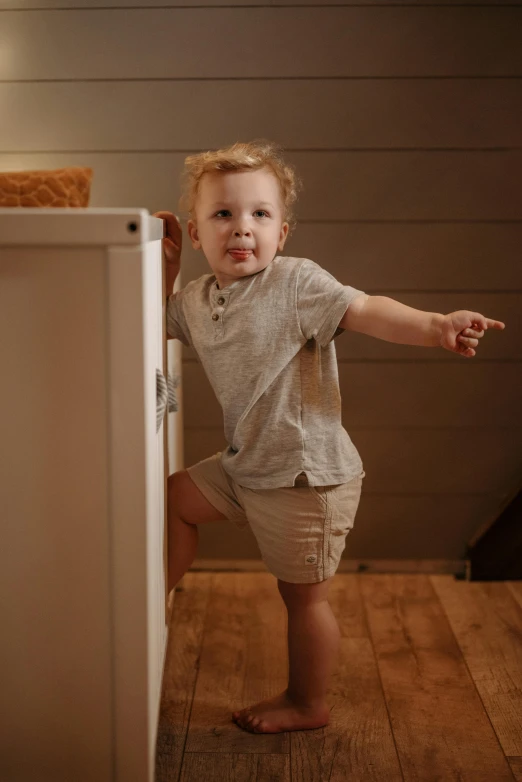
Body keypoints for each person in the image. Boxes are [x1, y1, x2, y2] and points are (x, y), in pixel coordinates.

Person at [153, 139, 505, 736]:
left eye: (260, 214)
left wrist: (434, 327)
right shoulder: (195, 300)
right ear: (196, 232)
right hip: (247, 465)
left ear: (282, 232)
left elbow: (368, 309)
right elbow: (145, 317)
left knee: (303, 600)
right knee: (172, 498)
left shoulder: (296, 284)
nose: (242, 229)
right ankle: (149, 600)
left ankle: (306, 701)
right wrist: (158, 266)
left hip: (304, 476)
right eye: (223, 215)